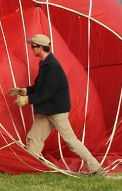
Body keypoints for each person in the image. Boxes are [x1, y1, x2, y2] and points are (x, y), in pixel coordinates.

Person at [8, 34, 106, 176]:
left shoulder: (52, 66)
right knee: (34, 138)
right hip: (47, 110)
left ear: (40, 48)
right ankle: (29, 169)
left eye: (33, 46)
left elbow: (47, 93)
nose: (31, 49)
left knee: (71, 141)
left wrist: (27, 100)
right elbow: (39, 87)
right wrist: (24, 91)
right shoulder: (45, 64)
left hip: (56, 111)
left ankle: (96, 168)